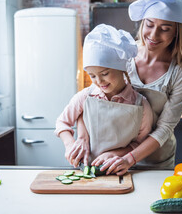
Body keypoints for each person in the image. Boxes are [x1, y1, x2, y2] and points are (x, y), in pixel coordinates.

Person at [67, 0, 182, 175]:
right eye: (149, 25)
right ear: (142, 23)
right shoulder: (124, 53)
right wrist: (82, 137)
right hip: (110, 155)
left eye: (165, 29)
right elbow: (91, 99)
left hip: (154, 162)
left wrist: (129, 157)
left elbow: (164, 129)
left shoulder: (181, 73)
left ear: (176, 33)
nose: (153, 36)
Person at [55, 24, 153, 168]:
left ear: (121, 69)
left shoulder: (140, 105)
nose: (99, 81)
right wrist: (70, 144)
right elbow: (62, 122)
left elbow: (140, 144)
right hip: (86, 170)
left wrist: (115, 154)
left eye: (105, 73)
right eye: (92, 75)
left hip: (121, 171)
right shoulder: (85, 96)